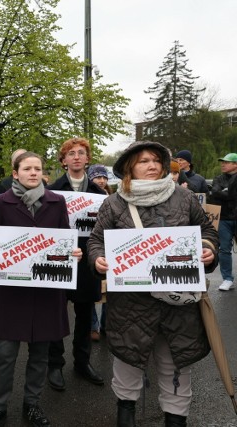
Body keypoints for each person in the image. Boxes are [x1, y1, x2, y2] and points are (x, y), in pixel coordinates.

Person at [88, 140, 218, 427]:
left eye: (156, 160)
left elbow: (206, 230)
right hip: (131, 305)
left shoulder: (184, 199)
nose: (151, 165)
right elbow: (97, 241)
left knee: (175, 366)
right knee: (128, 363)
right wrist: (98, 259)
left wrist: (208, 248)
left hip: (178, 304)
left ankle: (176, 419)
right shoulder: (114, 203)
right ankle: (126, 415)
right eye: (143, 160)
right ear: (129, 167)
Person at [0, 151, 82, 427]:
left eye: (37, 168)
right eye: (27, 168)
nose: (33, 172)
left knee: (39, 354)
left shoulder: (57, 202)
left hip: (47, 292)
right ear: (16, 173)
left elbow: (64, 236)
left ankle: (32, 405)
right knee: (4, 355)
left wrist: (73, 253)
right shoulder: (2, 202)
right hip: (12, 293)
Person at [46, 138, 106, 391]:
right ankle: (55, 364)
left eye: (81, 153)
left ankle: (82, 362)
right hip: (60, 258)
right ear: (63, 161)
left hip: (87, 261)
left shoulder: (99, 194)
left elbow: (104, 230)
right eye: (71, 153)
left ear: (87, 158)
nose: (77, 157)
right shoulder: (52, 190)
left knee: (84, 315)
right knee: (56, 313)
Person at [86, 164, 112, 343]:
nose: (101, 180)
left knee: (110, 289)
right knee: (91, 290)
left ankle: (106, 324)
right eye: (97, 177)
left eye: (104, 177)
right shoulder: (84, 197)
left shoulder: (114, 198)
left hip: (110, 246)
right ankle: (93, 325)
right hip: (92, 246)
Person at [209, 153, 237, 291]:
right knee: (224, 249)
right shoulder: (218, 178)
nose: (223, 164)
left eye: (227, 162)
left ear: (235, 164)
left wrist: (225, 192)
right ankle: (227, 279)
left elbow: (229, 195)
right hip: (224, 218)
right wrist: (227, 193)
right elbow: (215, 193)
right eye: (223, 162)